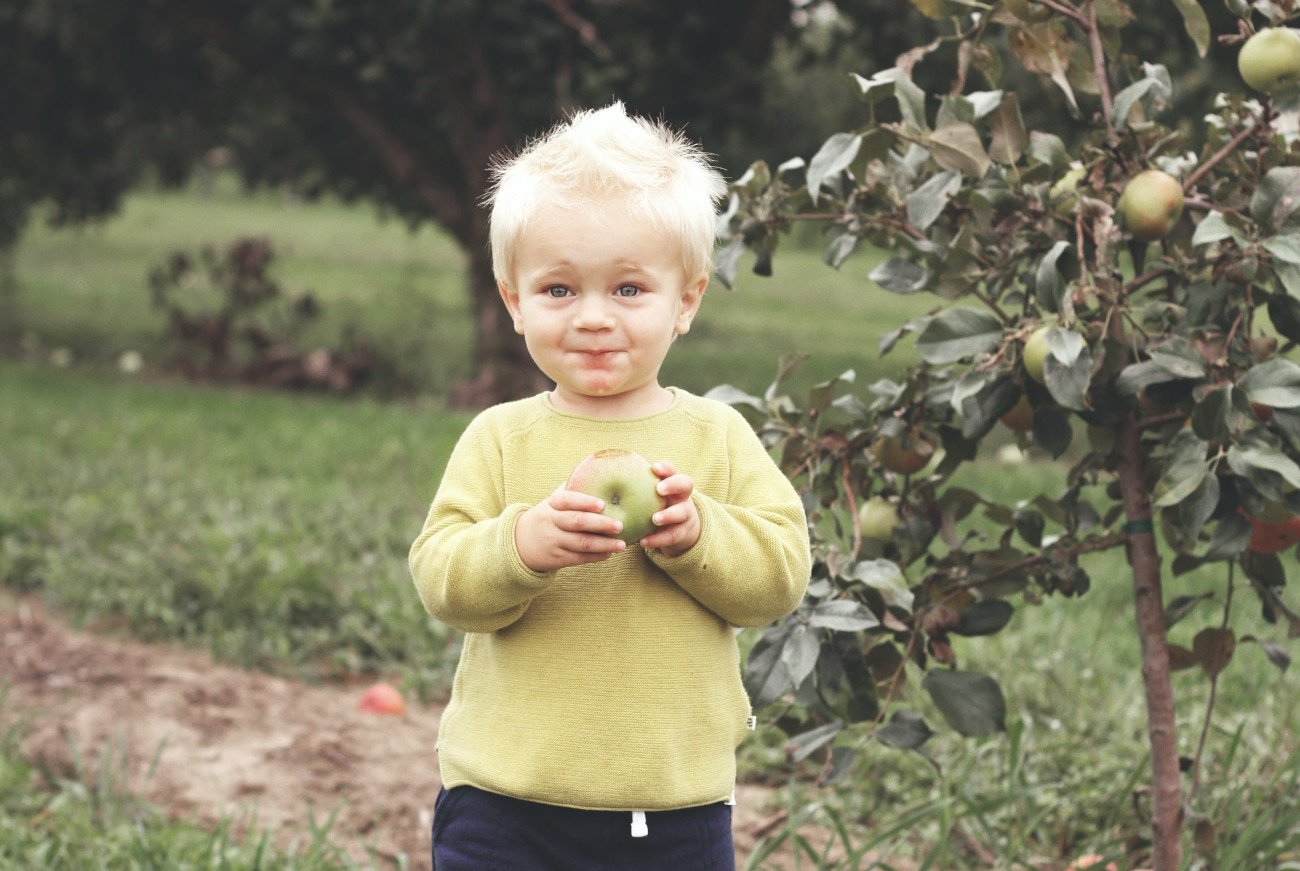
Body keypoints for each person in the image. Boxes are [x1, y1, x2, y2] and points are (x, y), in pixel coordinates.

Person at [409, 101, 811, 870]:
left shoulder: (716, 438)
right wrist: (521, 545)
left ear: (685, 300)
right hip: (503, 804)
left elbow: (779, 579)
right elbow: (441, 577)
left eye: (628, 289)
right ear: (514, 300)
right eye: (560, 289)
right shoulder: (500, 437)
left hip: (671, 810)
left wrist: (700, 536)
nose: (594, 318)